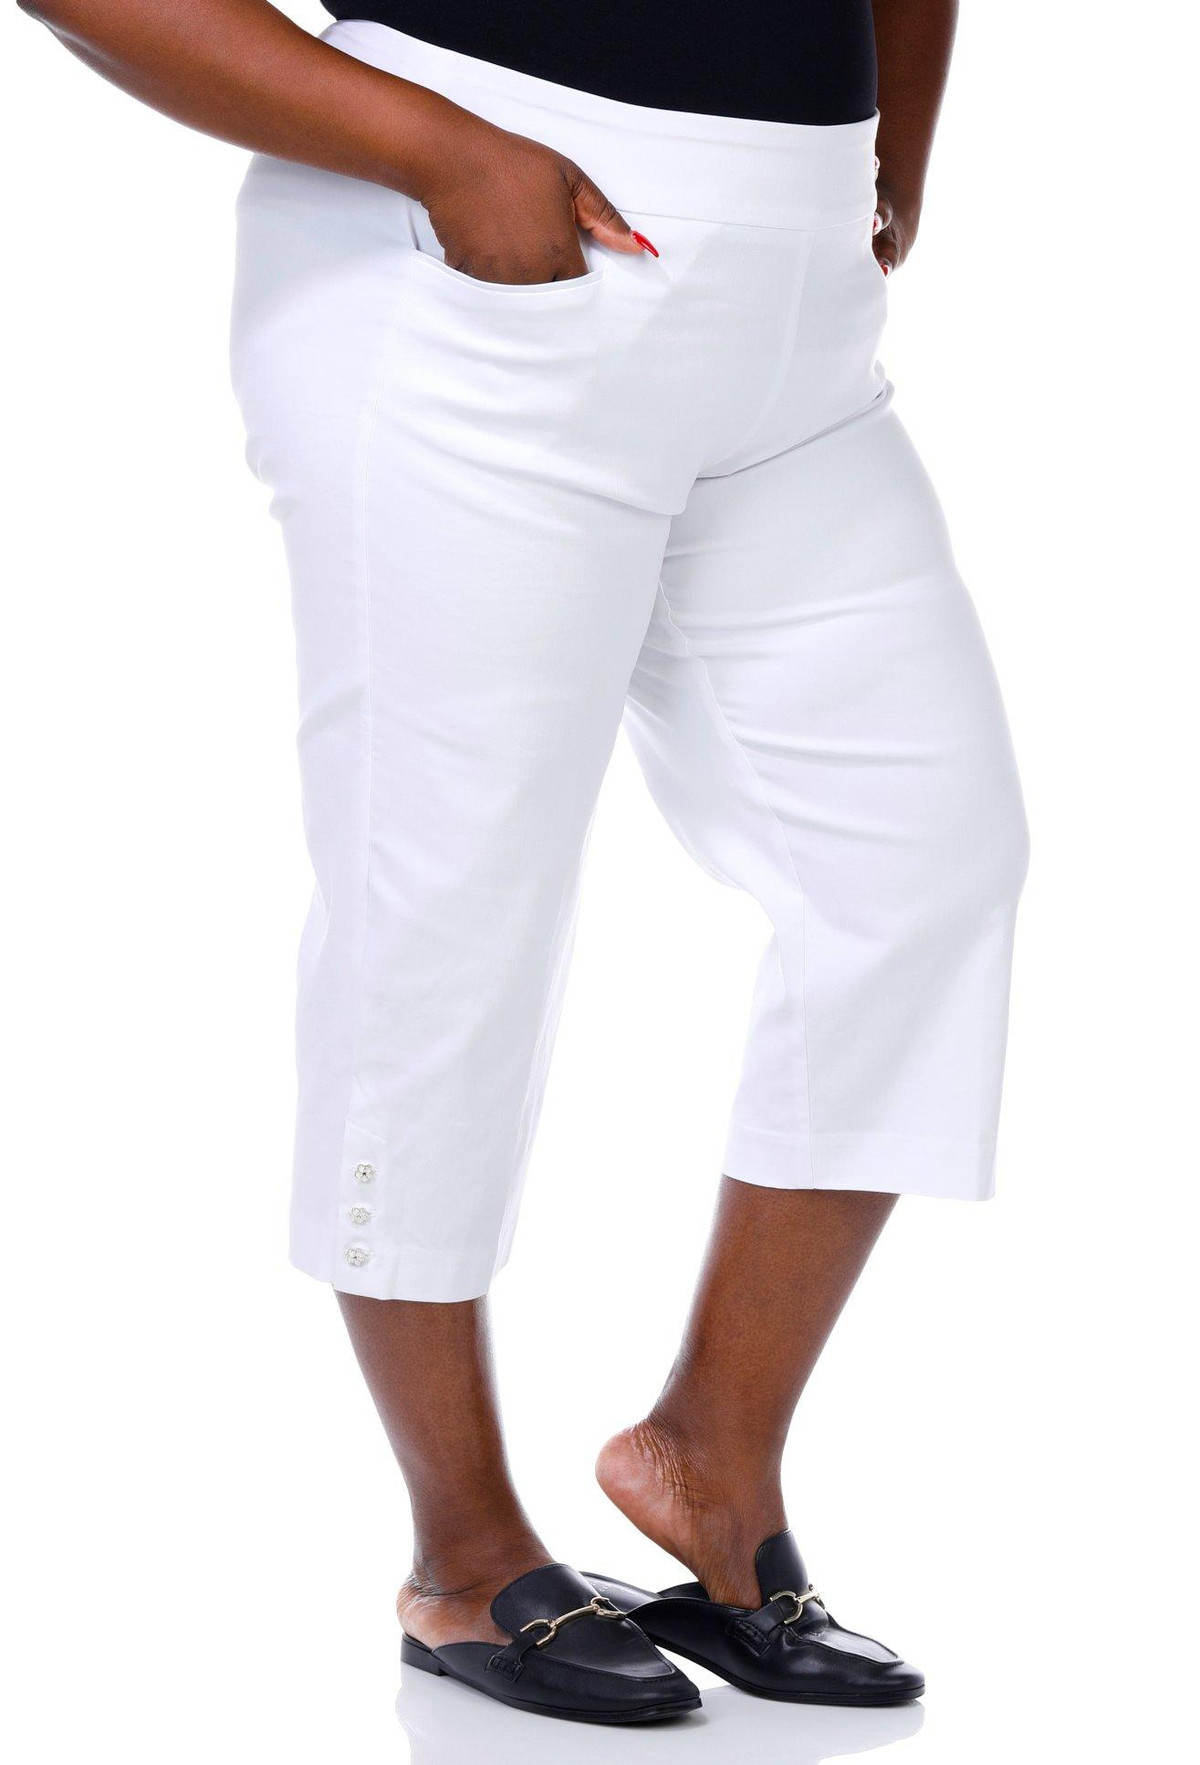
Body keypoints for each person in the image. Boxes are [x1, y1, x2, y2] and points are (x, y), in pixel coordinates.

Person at [18, 0, 1027, 1725]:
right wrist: (443, 154)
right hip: (477, 253)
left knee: (922, 858)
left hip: (793, 296)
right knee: (450, 907)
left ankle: (708, 1458)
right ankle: (464, 1547)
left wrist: (892, 149)